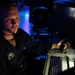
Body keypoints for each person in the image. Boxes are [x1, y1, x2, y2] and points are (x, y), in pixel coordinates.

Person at [0, 1, 68, 75]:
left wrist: (55, 45)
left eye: (16, 18)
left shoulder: (19, 33)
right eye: (9, 19)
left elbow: (34, 46)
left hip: (27, 67)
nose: (15, 23)